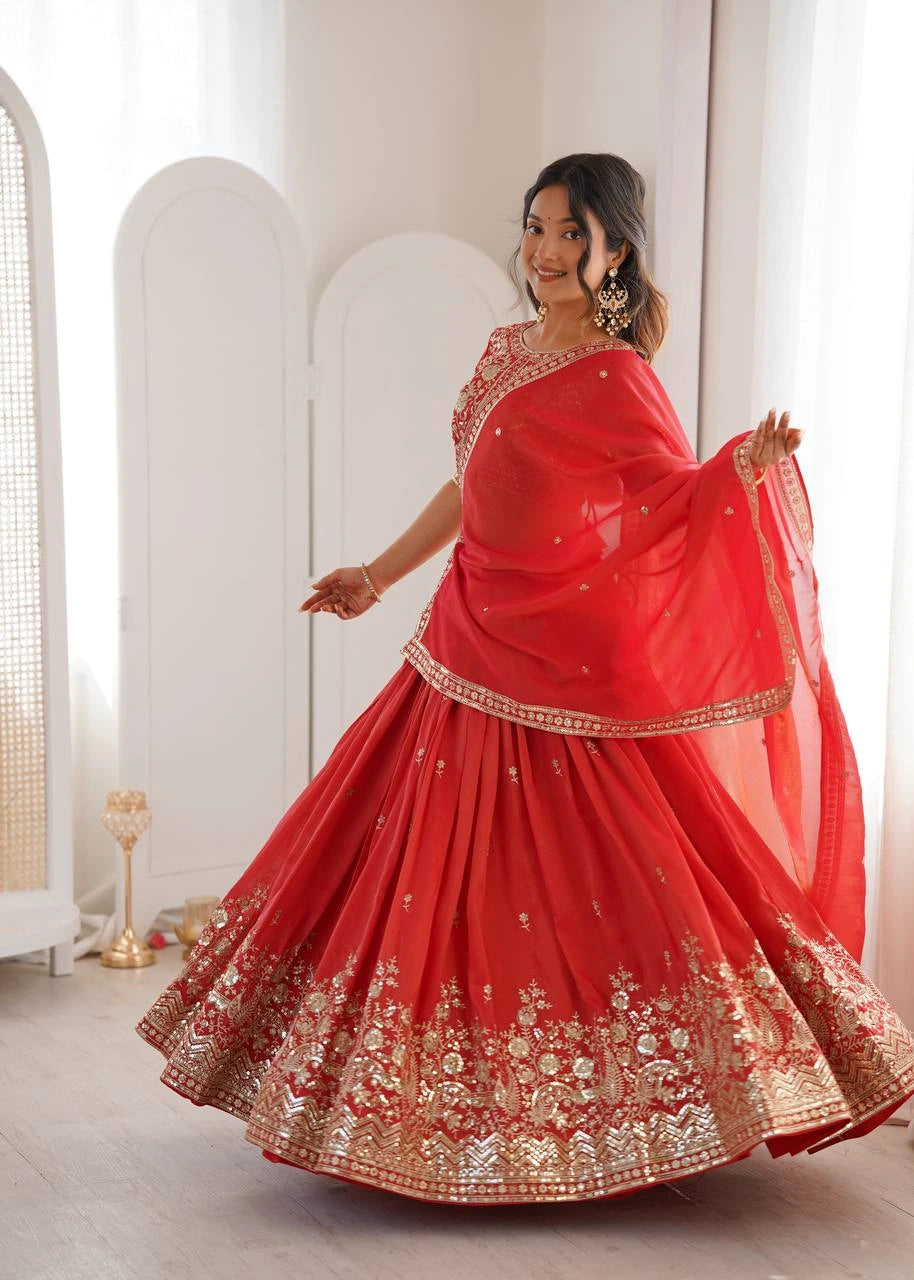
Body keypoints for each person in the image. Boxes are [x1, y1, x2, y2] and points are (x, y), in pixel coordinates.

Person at [136, 153, 914, 1206]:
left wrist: (742, 467)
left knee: (601, 888)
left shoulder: (617, 375)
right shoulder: (507, 349)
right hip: (462, 640)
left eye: (568, 233)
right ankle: (410, 1112)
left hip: (563, 662)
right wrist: (376, 573)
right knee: (416, 880)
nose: (543, 251)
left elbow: (666, 502)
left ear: (614, 251)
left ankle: (603, 1116)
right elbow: (471, 485)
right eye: (535, 227)